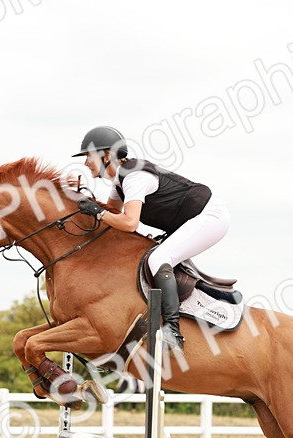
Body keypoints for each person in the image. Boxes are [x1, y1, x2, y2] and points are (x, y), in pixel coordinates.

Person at [72, 125, 229, 353]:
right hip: (191, 220)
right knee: (152, 256)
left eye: (89, 156)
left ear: (106, 156)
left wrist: (97, 212)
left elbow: (129, 223)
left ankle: (173, 332)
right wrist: (80, 204)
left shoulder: (134, 177)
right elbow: (111, 216)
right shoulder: (120, 182)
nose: (86, 163)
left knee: (158, 259)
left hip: (210, 217)